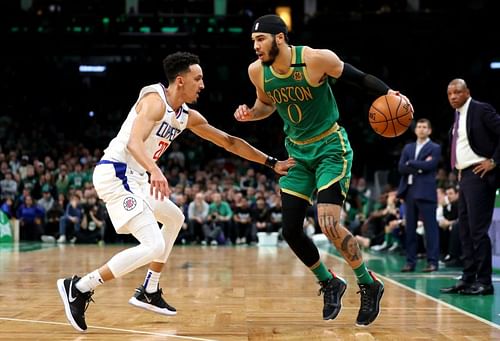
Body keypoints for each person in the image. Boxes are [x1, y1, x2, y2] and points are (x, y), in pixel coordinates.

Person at [57, 51, 295, 332]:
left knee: (175, 218)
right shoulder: (154, 102)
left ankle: (149, 288)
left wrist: (271, 162)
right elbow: (134, 143)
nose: (203, 84)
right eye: (198, 78)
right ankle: (80, 287)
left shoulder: (186, 115)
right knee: (153, 245)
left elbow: (229, 142)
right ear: (180, 81)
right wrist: (155, 170)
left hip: (137, 177)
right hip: (116, 173)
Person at [234, 14, 412, 326]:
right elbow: (266, 105)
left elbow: (358, 77)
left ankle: (368, 283)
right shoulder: (257, 71)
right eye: (253, 41)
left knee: (328, 222)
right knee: (290, 230)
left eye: (260, 40)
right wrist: (251, 114)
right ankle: (330, 281)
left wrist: (389, 93)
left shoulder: (316, 59)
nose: (255, 46)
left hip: (330, 148)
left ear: (279, 38)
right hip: (297, 153)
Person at [440, 78, 499, 296]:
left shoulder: (481, 110)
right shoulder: (457, 116)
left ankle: (484, 282)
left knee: (477, 231)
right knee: (463, 230)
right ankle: (467, 278)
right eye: (449, 94)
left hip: (480, 174)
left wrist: (494, 161)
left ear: (467, 92)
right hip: (464, 176)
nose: (453, 96)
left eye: (457, 92)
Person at [396, 118, 441, 272]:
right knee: (410, 229)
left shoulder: (435, 147)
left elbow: (431, 165)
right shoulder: (408, 147)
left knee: (430, 228)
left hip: (426, 192)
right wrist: (419, 166)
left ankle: (433, 262)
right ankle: (410, 262)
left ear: (429, 130)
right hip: (409, 191)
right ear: (415, 130)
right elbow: (401, 168)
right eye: (419, 127)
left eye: (424, 127)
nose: (421, 129)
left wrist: (412, 163)